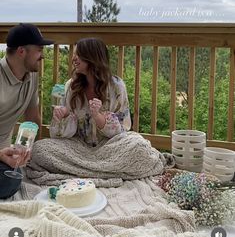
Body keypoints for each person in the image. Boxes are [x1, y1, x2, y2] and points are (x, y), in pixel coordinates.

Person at [26, 38, 169, 185]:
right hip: (78, 149)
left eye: (78, 55)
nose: (73, 58)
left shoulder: (116, 86)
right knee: (39, 150)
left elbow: (123, 128)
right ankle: (103, 172)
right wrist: (63, 117)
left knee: (139, 146)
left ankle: (83, 171)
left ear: (92, 57)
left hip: (110, 149)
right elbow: (60, 137)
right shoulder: (71, 86)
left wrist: (99, 117)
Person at [0, 23, 53, 199]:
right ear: (21, 51)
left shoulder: (32, 77)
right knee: (9, 182)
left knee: (47, 158)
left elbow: (32, 117)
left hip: (5, 155)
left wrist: (27, 149)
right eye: (39, 49)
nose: (42, 55)